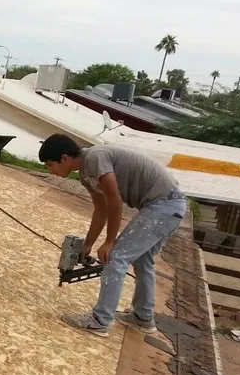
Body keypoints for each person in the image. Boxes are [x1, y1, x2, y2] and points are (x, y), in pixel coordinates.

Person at [38, 134, 187, 337]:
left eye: (50, 165)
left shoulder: (95, 157)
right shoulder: (85, 174)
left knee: (116, 257)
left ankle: (100, 320)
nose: (50, 171)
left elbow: (115, 202)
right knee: (143, 261)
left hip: (164, 204)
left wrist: (109, 242)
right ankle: (143, 317)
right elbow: (101, 209)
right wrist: (88, 245)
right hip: (167, 205)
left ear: (64, 158)